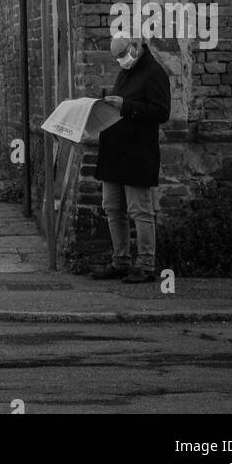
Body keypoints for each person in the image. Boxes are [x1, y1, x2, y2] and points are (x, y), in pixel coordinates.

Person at [90, 35, 171, 284]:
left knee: (140, 210)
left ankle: (146, 265)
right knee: (113, 207)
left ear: (135, 47)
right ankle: (120, 261)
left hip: (138, 152)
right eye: (117, 58)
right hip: (114, 151)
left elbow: (161, 112)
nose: (121, 61)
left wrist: (125, 106)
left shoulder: (154, 72)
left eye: (123, 55)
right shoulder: (126, 71)